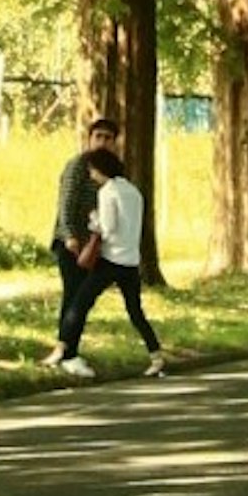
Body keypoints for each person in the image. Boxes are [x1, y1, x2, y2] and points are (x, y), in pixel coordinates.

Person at [48, 134, 167, 373]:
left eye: (92, 170)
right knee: (135, 311)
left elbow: (108, 228)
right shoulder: (133, 191)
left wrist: (94, 221)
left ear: (100, 170)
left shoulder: (107, 192)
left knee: (78, 304)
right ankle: (156, 356)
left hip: (111, 260)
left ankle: (62, 349)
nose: (90, 174)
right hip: (131, 260)